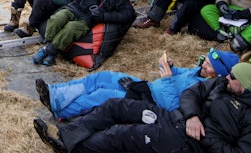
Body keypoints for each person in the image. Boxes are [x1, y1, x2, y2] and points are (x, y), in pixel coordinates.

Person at [33, 61, 251, 153]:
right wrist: (192, 115)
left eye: (232, 76)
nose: (226, 77)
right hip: (175, 117)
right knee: (116, 105)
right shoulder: (222, 85)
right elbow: (192, 92)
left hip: (188, 143)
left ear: (242, 88)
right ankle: (68, 133)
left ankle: (71, 150)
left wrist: (204, 136)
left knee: (125, 134)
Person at [36, 48, 239, 120]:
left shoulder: (208, 93)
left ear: (219, 75)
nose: (204, 65)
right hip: (146, 87)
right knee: (102, 77)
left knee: (103, 95)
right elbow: (179, 74)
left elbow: (174, 109)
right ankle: (56, 94)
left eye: (210, 66)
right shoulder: (197, 71)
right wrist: (171, 66)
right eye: (206, 61)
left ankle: (62, 112)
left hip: (151, 104)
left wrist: (167, 79)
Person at [32, 0, 135, 67]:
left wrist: (103, 16)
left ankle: (48, 51)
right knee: (57, 18)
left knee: (70, 29)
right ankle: (50, 49)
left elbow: (130, 14)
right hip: (74, 8)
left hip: (88, 18)